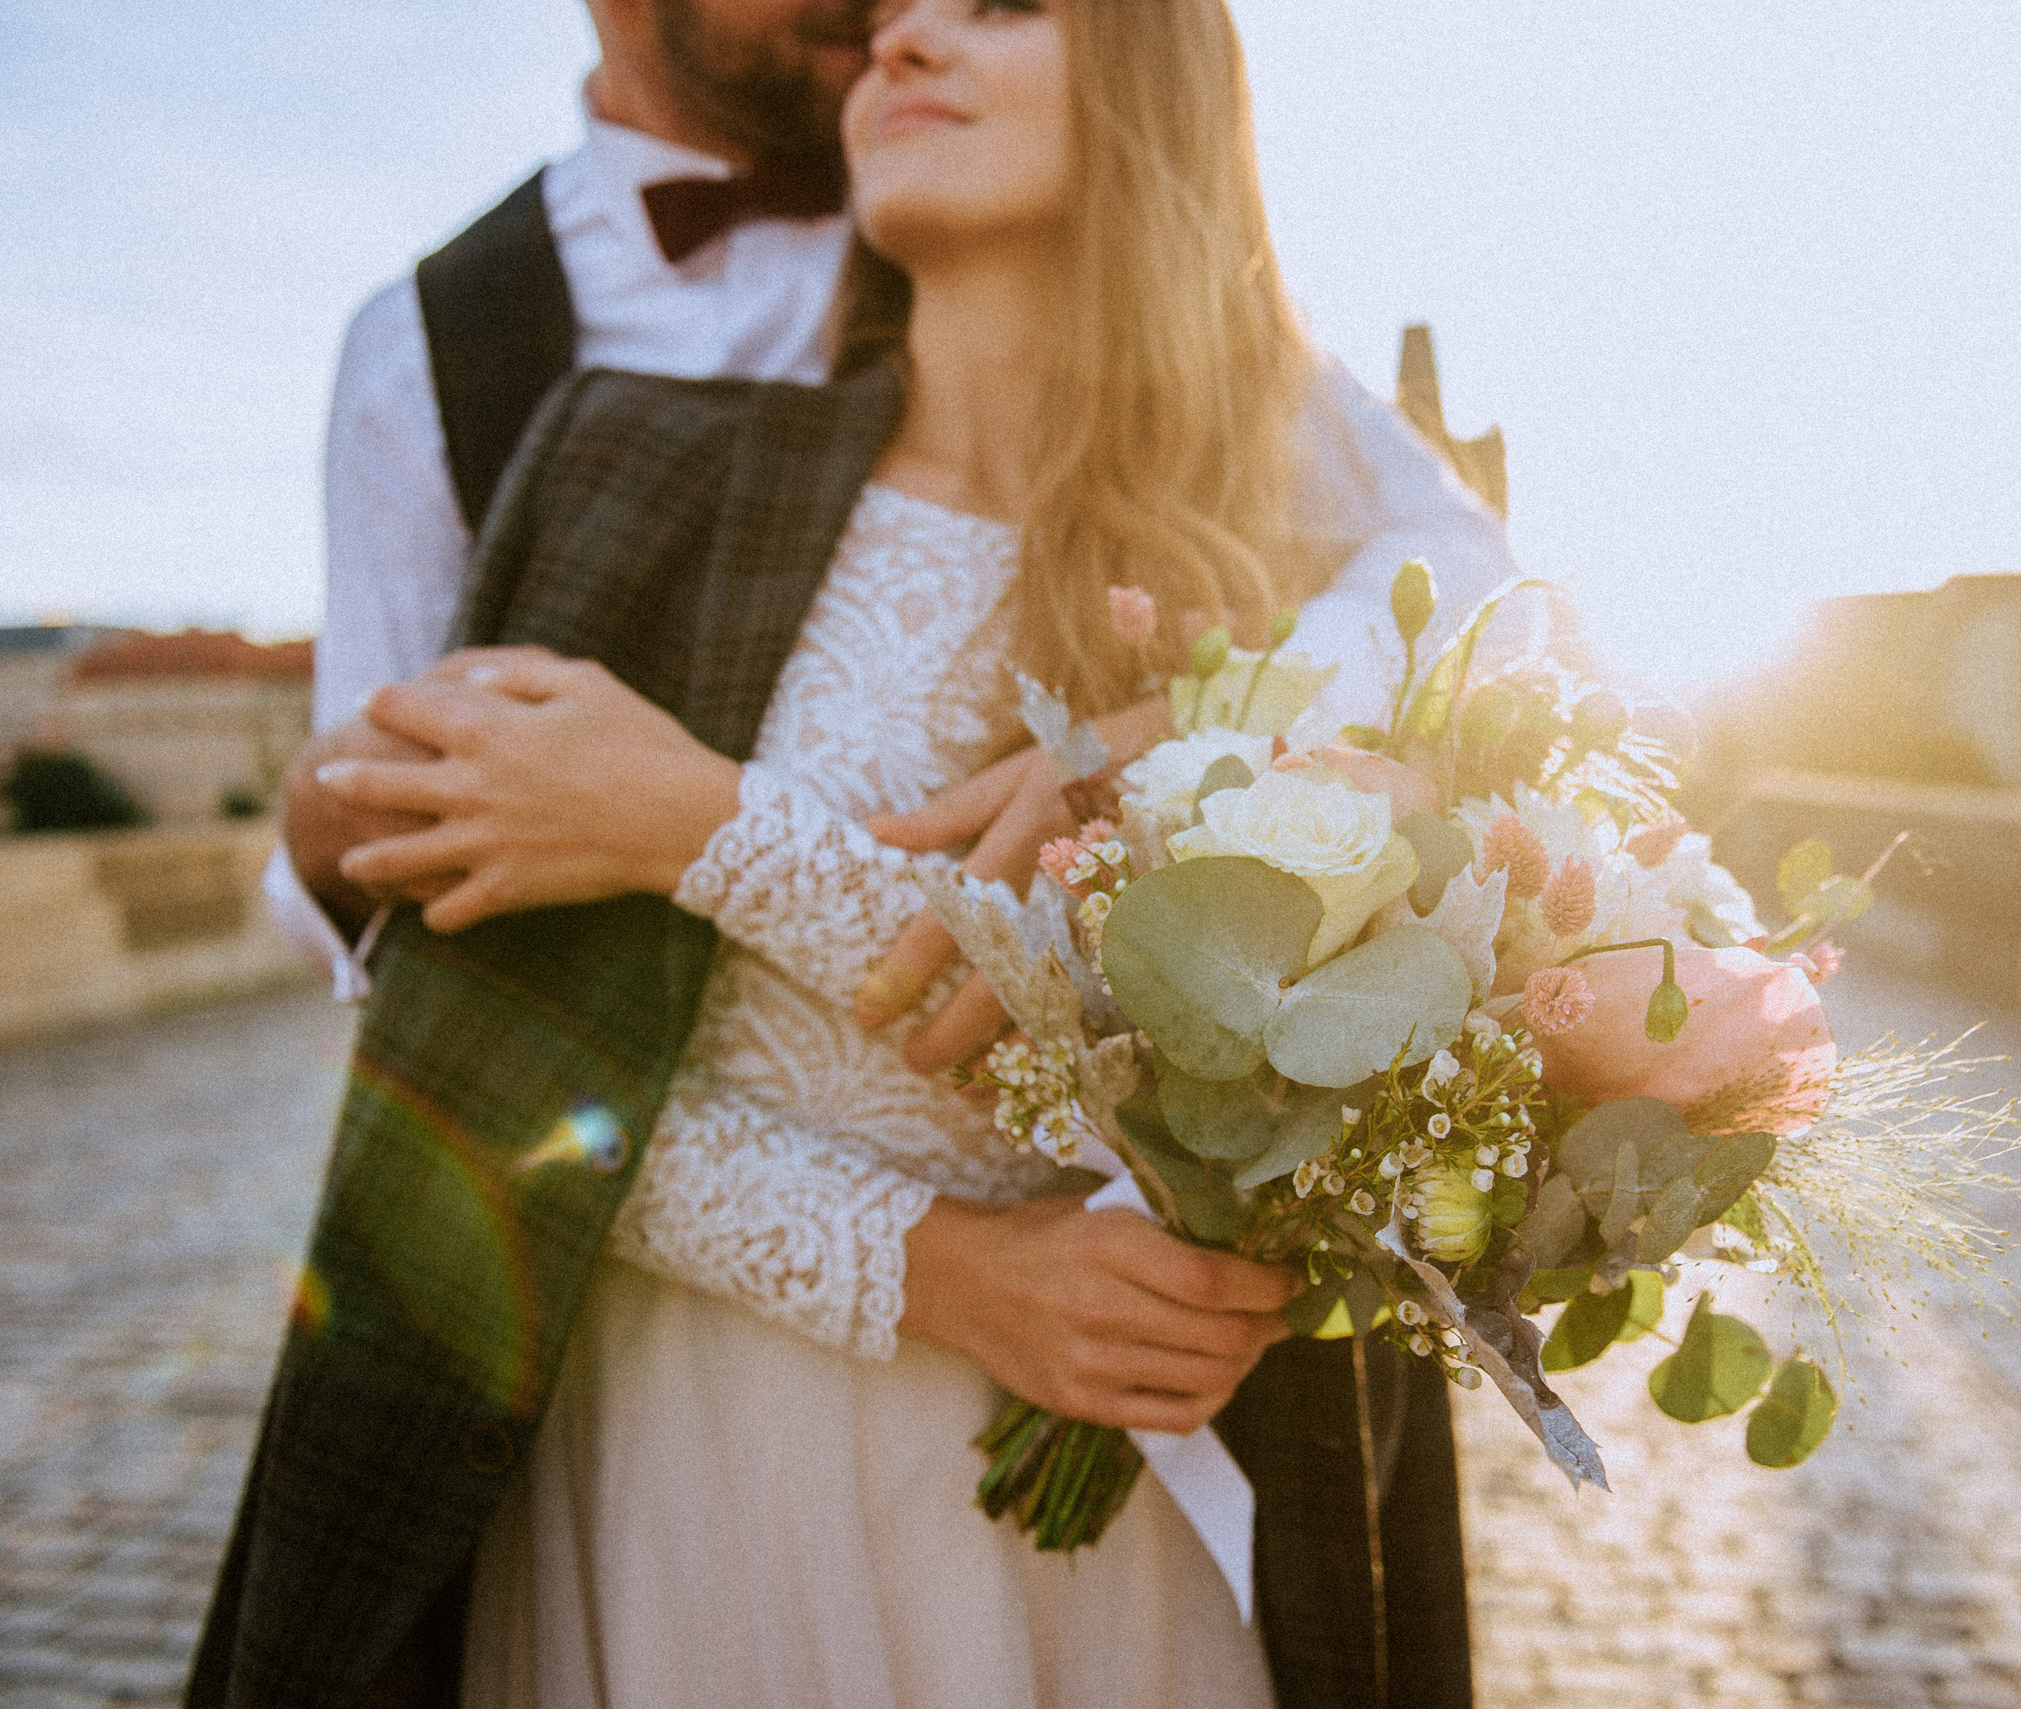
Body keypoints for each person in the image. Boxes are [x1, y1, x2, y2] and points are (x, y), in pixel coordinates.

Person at [197, 2, 1519, 1705]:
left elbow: (1478, 620)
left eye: (988, 4)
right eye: (897, 10)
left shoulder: (1257, 502)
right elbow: (472, 1059)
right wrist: (929, 1268)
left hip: (1123, 1497)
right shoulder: (577, 435)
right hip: (684, 1450)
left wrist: (1182, 748)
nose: (891, 35)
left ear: (1148, 84)